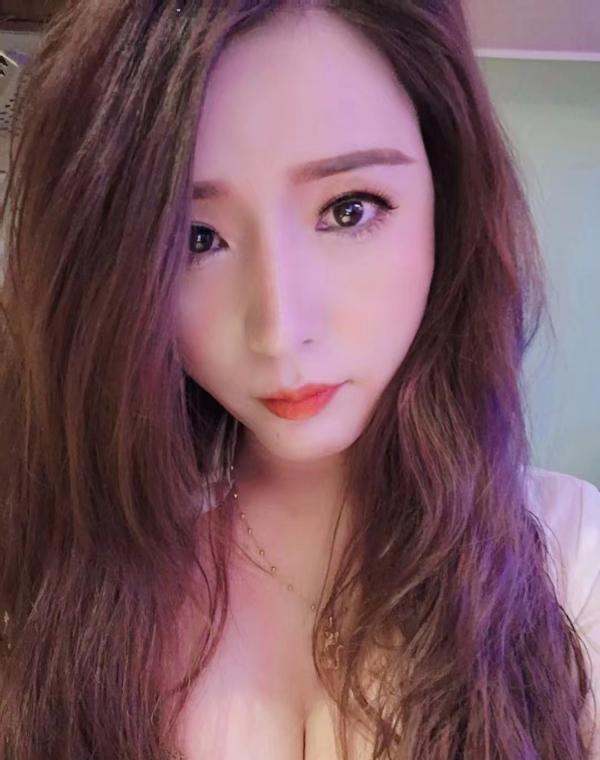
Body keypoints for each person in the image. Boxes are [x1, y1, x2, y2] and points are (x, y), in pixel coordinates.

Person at [0, 1, 598, 759]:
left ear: (447, 203)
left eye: (349, 210)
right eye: (195, 238)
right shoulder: (61, 573)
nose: (280, 331)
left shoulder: (572, 559)